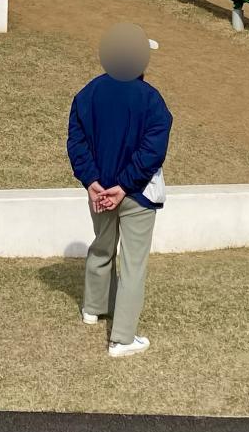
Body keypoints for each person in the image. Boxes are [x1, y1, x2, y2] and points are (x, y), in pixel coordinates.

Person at [68, 23, 173, 358]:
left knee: (102, 246)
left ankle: (92, 309)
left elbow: (77, 143)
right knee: (133, 264)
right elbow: (151, 152)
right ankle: (122, 339)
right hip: (136, 194)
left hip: (99, 191)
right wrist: (123, 186)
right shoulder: (152, 101)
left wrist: (93, 182)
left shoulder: (87, 94)